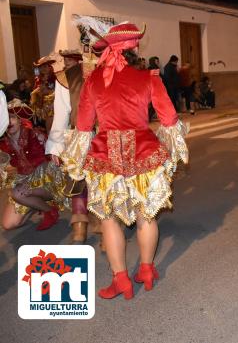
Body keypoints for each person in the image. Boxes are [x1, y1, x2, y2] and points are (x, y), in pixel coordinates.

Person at [61, 21, 188, 300]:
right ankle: (146, 270)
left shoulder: (93, 80)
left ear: (108, 51)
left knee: (109, 220)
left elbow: (82, 126)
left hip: (106, 158)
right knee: (146, 216)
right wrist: (170, 151)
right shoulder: (149, 78)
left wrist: (75, 159)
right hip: (144, 154)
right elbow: (169, 120)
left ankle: (121, 281)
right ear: (135, 50)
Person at [45, 49, 92, 243]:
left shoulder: (66, 78)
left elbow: (62, 113)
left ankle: (79, 229)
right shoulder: (106, 70)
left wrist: (55, 144)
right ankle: (105, 228)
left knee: (77, 178)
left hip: (78, 134)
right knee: (103, 180)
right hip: (105, 134)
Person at [0, 100, 70, 231]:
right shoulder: (3, 145)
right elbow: (5, 173)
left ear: (20, 119)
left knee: (18, 193)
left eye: (12, 117)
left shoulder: (35, 134)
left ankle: (50, 211)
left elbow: (55, 158)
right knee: (8, 224)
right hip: (23, 183)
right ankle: (37, 204)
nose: (9, 122)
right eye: (6, 119)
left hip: (47, 182)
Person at [30, 56, 56, 131]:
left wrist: (48, 91)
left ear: (50, 67)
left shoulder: (55, 78)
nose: (44, 69)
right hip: (41, 108)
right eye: (41, 67)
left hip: (53, 107)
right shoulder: (38, 80)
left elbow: (57, 92)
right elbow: (34, 95)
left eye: (46, 66)